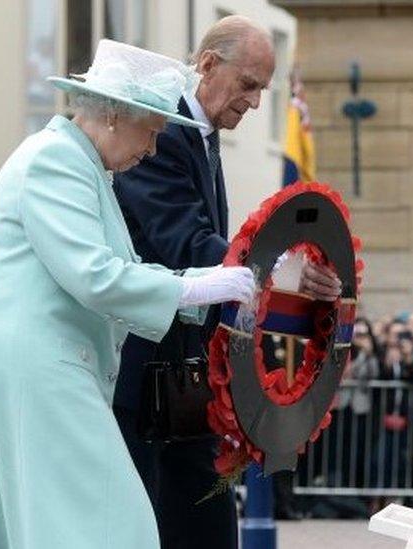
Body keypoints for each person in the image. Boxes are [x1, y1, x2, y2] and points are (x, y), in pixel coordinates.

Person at [0, 40, 256, 549]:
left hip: (44, 367)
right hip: (40, 369)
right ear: (114, 114)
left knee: (63, 526)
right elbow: (96, 276)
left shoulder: (80, 166)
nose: (153, 149)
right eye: (151, 131)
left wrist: (202, 290)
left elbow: (124, 270)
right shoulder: (56, 163)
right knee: (113, 526)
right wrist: (198, 285)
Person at [113, 15, 342, 549]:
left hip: (185, 378)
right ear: (208, 65)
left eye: (264, 88)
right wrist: (286, 276)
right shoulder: (162, 131)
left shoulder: (203, 137)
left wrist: (299, 299)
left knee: (208, 525)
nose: (257, 102)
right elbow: (190, 243)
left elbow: (217, 253)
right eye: (249, 85)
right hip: (142, 377)